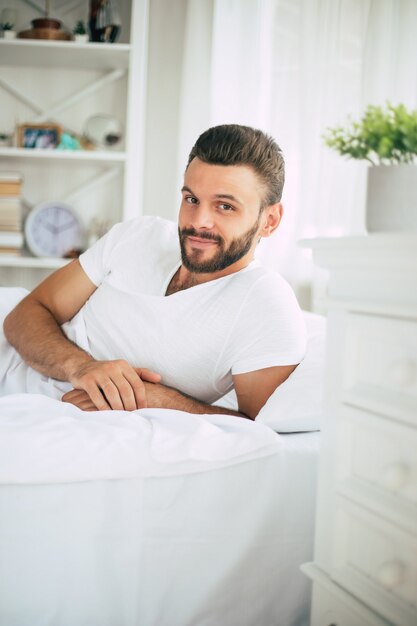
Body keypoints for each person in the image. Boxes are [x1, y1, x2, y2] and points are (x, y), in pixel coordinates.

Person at [3, 124, 306, 420]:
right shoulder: (139, 235)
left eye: (225, 207)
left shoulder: (266, 303)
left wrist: (152, 399)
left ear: (270, 220)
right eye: (191, 199)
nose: (198, 221)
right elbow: (24, 315)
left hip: (43, 417)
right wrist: (81, 367)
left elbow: (257, 427)